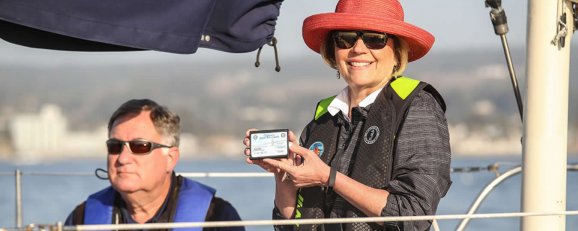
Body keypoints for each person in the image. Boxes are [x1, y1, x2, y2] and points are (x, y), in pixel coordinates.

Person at [243, 0, 451, 230]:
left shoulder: (417, 107)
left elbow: (414, 213)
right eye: (346, 38)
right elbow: (290, 224)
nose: (358, 49)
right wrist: (284, 175)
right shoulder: (324, 117)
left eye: (375, 38)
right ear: (333, 50)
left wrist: (329, 177)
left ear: (397, 50)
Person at [65, 99, 244, 231]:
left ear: (170, 158)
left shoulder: (216, 218)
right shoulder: (81, 219)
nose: (123, 158)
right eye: (115, 146)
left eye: (140, 146)